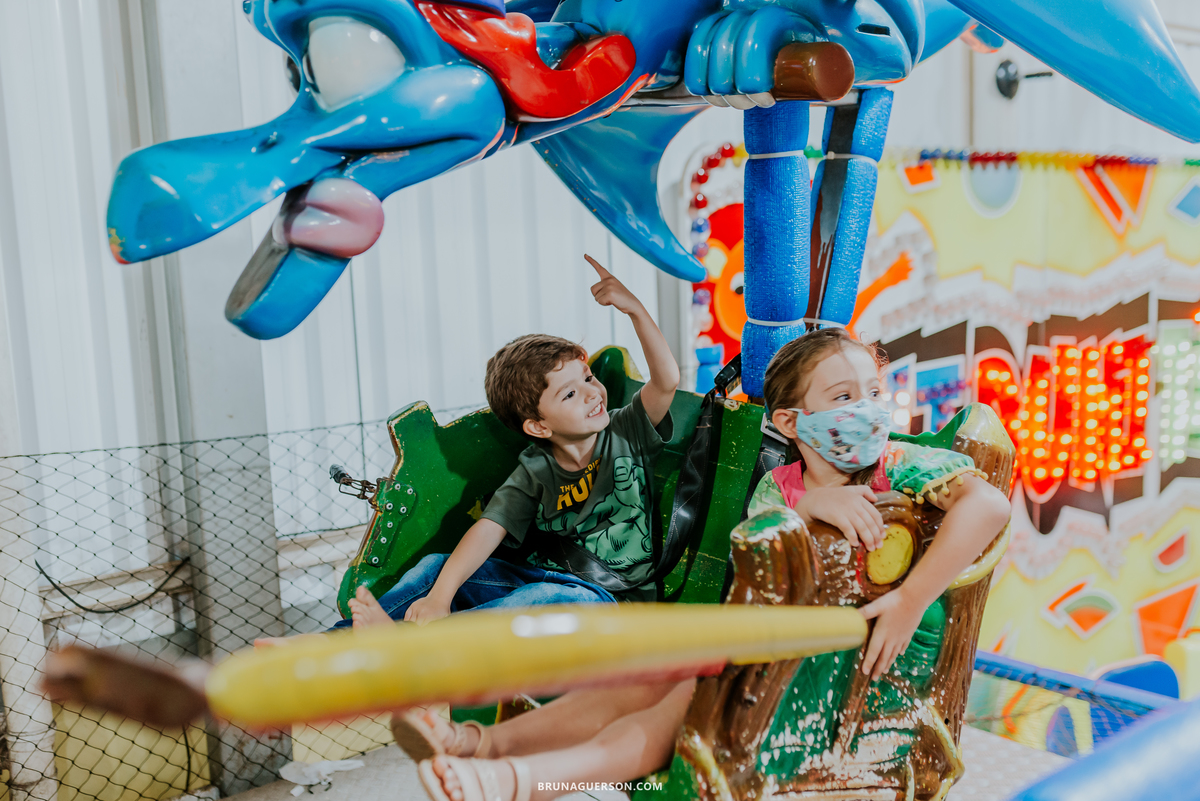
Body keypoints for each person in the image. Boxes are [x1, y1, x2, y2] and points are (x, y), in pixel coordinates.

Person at [402, 326, 1011, 801]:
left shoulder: (897, 466)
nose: (869, 410)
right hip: (772, 648)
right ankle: (477, 742)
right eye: (845, 396)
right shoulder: (786, 487)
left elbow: (986, 505)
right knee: (644, 677)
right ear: (791, 424)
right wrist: (817, 503)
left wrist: (911, 599)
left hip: (831, 668)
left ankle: (518, 780)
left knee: (678, 704)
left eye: (875, 394)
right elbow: (769, 560)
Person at [336, 254, 679, 639]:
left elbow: (666, 380)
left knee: (543, 599)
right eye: (569, 393)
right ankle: (336, 641)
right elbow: (488, 528)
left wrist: (634, 310)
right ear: (538, 425)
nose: (591, 393)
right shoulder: (535, 468)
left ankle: (415, 644)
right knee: (434, 568)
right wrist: (441, 597)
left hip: (612, 600)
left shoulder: (625, 430)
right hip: (539, 577)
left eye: (587, 377)